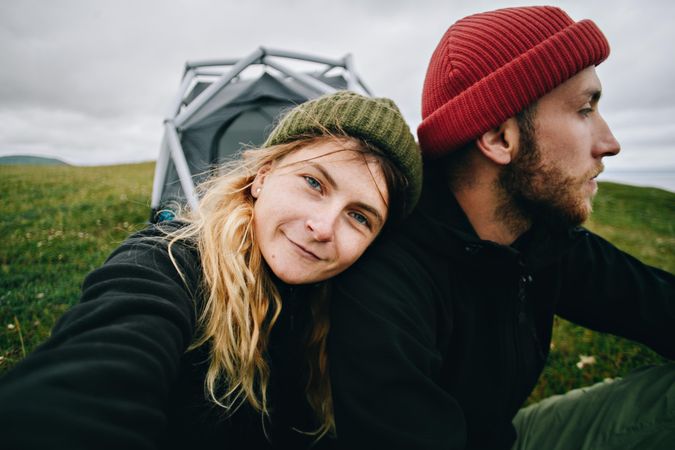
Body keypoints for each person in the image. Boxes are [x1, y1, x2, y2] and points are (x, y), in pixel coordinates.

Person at [328, 6, 675, 450]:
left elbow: (651, 301)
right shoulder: (384, 287)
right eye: (585, 109)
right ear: (498, 138)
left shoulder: (539, 235)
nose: (610, 144)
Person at [0, 91, 423, 449]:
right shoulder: (171, 262)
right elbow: (93, 381)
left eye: (359, 217)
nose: (322, 227)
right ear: (262, 176)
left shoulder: (356, 307)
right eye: (313, 182)